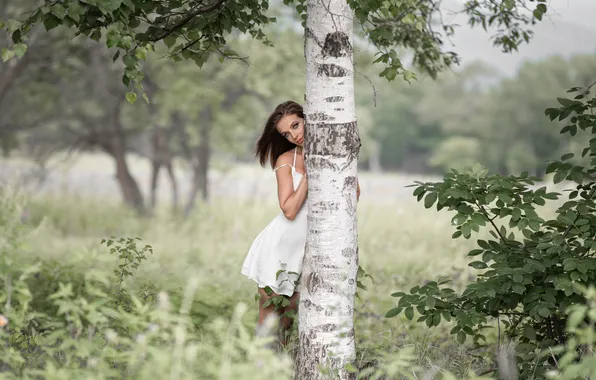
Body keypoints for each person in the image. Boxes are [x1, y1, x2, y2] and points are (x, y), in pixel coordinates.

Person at [241, 100, 360, 349]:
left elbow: (353, 195)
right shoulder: (285, 159)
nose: (295, 135)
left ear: (308, 119)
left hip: (312, 250)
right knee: (268, 324)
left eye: (296, 125)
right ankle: (257, 371)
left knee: (288, 324)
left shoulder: (332, 153)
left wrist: (329, 157)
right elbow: (290, 209)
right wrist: (310, 172)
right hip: (280, 249)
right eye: (287, 132)